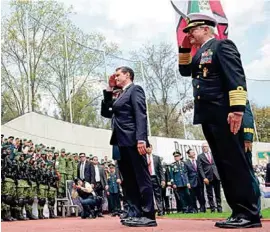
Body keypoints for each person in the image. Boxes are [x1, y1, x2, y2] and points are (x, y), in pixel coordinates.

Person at [178, 12, 261, 228]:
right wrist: (185, 47)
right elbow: (184, 70)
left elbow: (236, 77)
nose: (189, 34)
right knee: (224, 165)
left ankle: (250, 214)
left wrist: (236, 109)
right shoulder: (199, 54)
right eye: (187, 31)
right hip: (209, 116)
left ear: (206, 28)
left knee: (235, 163)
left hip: (225, 113)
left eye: (192, 30)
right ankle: (238, 211)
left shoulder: (222, 46)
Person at [101, 66, 156, 227]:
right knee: (129, 180)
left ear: (128, 75)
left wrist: (141, 139)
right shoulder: (119, 94)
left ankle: (148, 214)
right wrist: (109, 89)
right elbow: (106, 112)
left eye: (118, 75)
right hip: (120, 142)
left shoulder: (135, 90)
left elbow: (141, 114)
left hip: (133, 140)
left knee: (141, 177)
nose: (115, 77)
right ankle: (135, 212)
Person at [197, 143, 222, 213]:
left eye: (206, 146)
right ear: (202, 148)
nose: (205, 148)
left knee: (218, 194)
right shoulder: (200, 156)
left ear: (208, 147)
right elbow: (200, 168)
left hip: (216, 176)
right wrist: (204, 178)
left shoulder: (213, 154)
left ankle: (219, 208)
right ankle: (212, 208)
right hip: (207, 177)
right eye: (203, 147)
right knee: (210, 194)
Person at [146, 144, 165, 216]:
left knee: (158, 195)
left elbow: (160, 170)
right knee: (148, 195)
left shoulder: (156, 158)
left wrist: (163, 180)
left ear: (152, 148)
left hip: (155, 178)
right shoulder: (143, 158)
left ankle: (160, 210)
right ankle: (150, 211)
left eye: (149, 147)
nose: (148, 149)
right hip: (147, 178)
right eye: (147, 148)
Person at [184, 149, 205, 213]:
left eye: (194, 152)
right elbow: (185, 173)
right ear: (188, 154)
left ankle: (202, 209)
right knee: (193, 197)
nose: (194, 153)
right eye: (192, 152)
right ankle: (195, 209)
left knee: (201, 196)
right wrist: (187, 182)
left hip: (199, 181)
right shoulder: (186, 163)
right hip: (191, 182)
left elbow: (200, 170)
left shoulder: (197, 161)